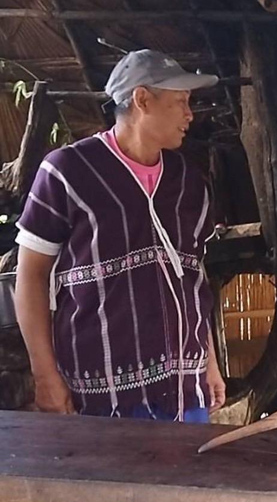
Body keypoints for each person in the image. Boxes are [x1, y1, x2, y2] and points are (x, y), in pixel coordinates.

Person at [15, 49, 226, 423]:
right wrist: (44, 375)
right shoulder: (67, 172)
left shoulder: (187, 181)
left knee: (187, 481)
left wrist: (208, 362)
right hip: (101, 394)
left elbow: (193, 278)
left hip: (185, 388)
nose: (190, 115)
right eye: (180, 102)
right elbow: (30, 276)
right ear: (142, 99)